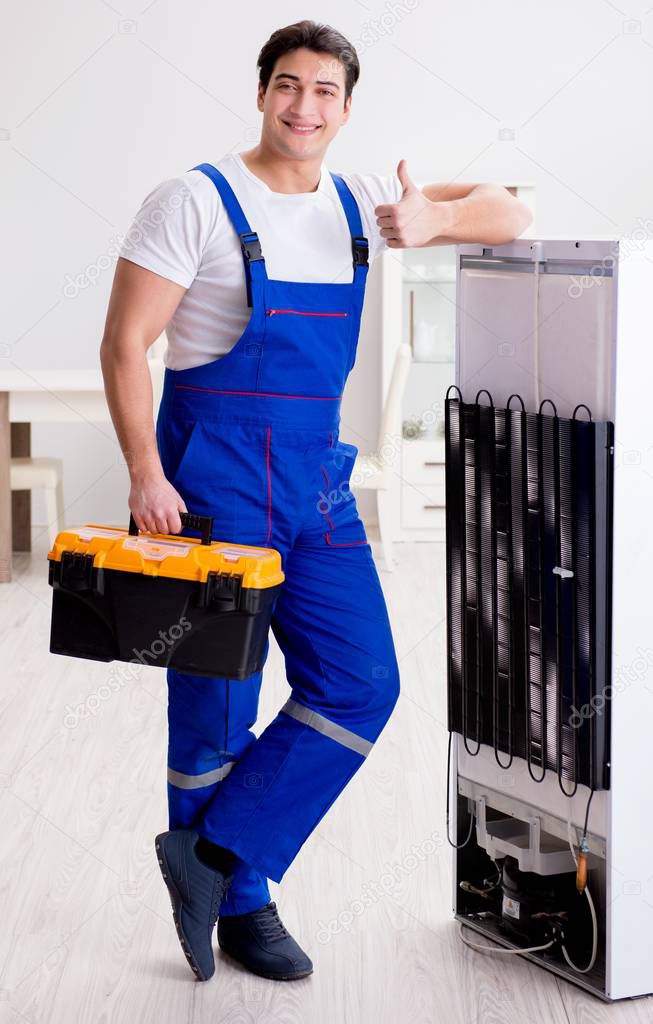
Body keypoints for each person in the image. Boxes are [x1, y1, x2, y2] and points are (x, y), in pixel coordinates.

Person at [100, 19, 532, 984]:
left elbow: (509, 210)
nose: (304, 106)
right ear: (261, 94)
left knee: (361, 682)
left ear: (346, 107)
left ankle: (213, 857)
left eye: (325, 91)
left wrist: (438, 222)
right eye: (288, 86)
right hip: (210, 483)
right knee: (216, 702)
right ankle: (243, 905)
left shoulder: (362, 198)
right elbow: (127, 342)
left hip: (314, 481)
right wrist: (143, 473)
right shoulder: (195, 200)